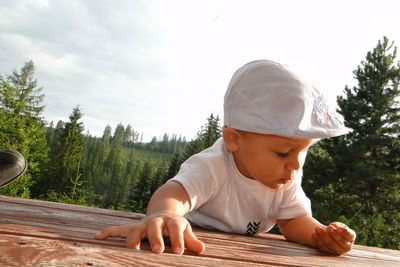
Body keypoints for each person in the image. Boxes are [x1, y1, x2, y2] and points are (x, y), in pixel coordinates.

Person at [95, 60, 356, 256]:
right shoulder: (213, 165)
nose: (295, 164)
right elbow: (175, 193)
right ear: (234, 140)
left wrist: (322, 236)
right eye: (283, 152)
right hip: (190, 248)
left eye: (304, 150)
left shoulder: (286, 175)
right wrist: (166, 214)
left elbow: (293, 221)